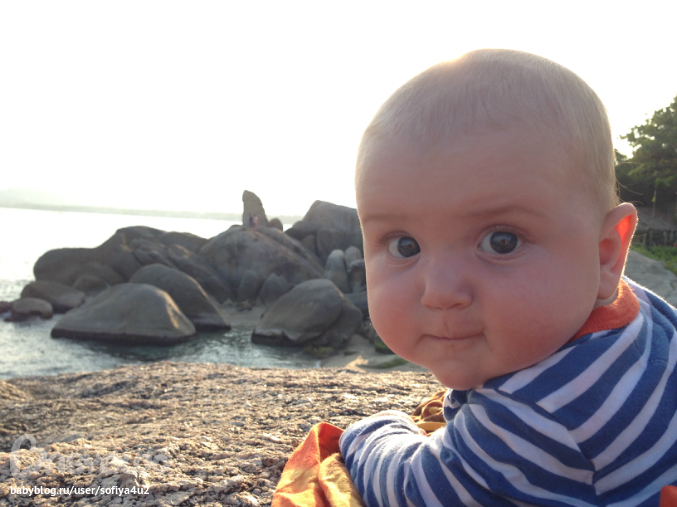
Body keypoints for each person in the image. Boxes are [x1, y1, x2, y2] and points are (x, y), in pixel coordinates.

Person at [339, 49, 677, 505]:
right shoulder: (642, 314)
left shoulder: (536, 412)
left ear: (604, 254)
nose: (440, 293)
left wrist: (371, 432)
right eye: (405, 246)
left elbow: (415, 490)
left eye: (502, 241)